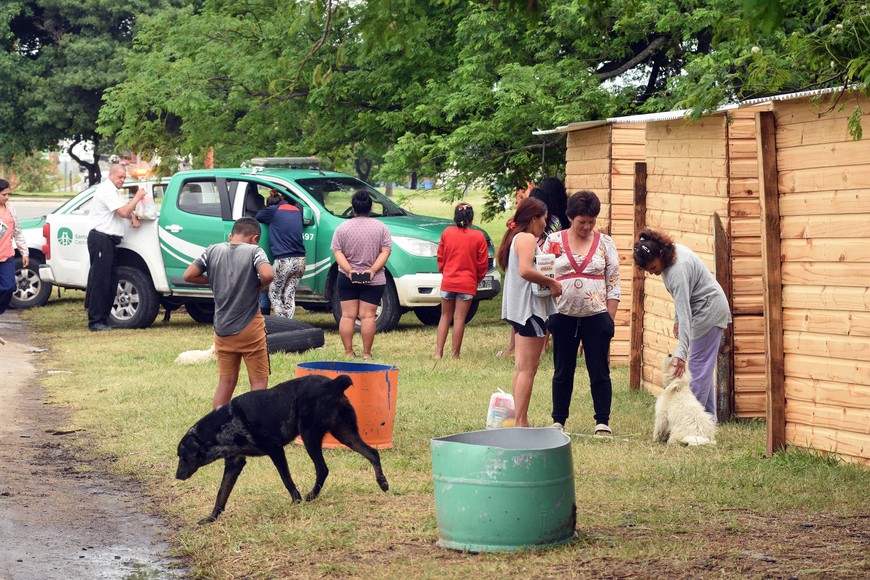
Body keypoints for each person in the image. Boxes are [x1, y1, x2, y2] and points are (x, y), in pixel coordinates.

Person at [632, 227, 731, 420]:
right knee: (701, 369)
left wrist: (681, 353)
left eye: (652, 268)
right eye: (647, 270)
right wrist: (677, 321)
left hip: (708, 310)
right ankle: (708, 418)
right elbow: (682, 301)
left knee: (696, 369)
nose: (652, 273)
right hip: (701, 310)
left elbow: (685, 311)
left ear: (660, 253)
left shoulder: (677, 270)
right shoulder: (669, 255)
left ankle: (692, 422)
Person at [546, 190, 621, 435]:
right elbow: (543, 274)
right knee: (562, 369)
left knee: (599, 369)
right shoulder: (553, 240)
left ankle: (602, 421)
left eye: (591, 221)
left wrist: (609, 318)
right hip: (562, 314)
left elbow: (614, 282)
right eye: (582, 222)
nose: (587, 227)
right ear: (570, 218)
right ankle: (559, 420)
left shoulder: (606, 243)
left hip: (596, 315)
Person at [184, 217, 274, 409]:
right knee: (258, 382)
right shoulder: (254, 251)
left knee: (226, 381)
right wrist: (258, 284)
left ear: (231, 235)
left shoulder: (212, 250)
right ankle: (255, 428)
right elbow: (268, 274)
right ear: (254, 238)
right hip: (250, 327)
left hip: (222, 329)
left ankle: (216, 426)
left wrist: (213, 279)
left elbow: (189, 275)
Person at [497, 197, 562, 427]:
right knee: (528, 369)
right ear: (534, 218)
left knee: (521, 368)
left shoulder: (517, 237)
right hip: (530, 310)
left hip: (520, 309)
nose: (546, 223)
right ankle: (521, 422)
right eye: (544, 218)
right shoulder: (525, 238)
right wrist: (551, 283)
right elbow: (525, 270)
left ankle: (520, 418)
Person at [330, 190, 392, 359]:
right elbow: (385, 251)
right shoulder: (381, 228)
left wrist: (349, 270)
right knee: (368, 316)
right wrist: (372, 270)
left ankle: (348, 352)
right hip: (374, 279)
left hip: (346, 277)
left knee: (348, 316)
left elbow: (337, 252)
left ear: (353, 207)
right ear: (370, 207)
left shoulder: (342, 228)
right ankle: (367, 353)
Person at [85, 164, 147, 331]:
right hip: (101, 239)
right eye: (120, 177)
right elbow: (122, 212)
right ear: (111, 175)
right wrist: (138, 197)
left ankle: (104, 319)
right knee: (100, 281)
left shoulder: (114, 192)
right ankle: (95, 321)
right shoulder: (106, 190)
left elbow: (124, 209)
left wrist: (133, 216)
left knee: (111, 281)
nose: (122, 180)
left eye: (124, 178)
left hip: (110, 241)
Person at [434, 202, 489, 359]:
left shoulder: (447, 233)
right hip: (467, 283)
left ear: (455, 218)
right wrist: (476, 279)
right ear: (471, 219)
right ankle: (455, 354)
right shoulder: (478, 236)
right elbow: (483, 264)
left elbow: (440, 256)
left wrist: (445, 272)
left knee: (445, 316)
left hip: (448, 281)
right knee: (459, 318)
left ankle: (438, 353)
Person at [256, 193, 306, 318]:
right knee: (289, 294)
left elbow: (258, 216)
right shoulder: (297, 210)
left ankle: (282, 319)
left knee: (274, 292)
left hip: (284, 261)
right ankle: (289, 321)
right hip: (301, 260)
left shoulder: (274, 211)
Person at [0, 179, 28, 316]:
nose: (7, 197)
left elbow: (17, 232)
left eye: (8, 194)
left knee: (9, 287)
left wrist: (25, 253)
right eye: (3, 194)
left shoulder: (10, 210)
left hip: (6, 256)